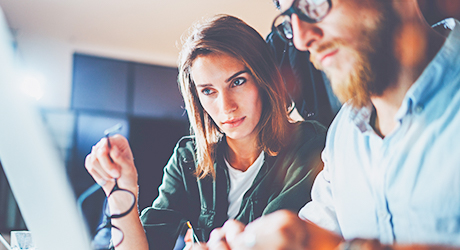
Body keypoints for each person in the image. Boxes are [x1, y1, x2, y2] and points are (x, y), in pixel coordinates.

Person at [196, 0, 460, 249]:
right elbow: (315, 227)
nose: (301, 40)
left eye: (314, 4)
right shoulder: (343, 133)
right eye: (290, 19)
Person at [84, 14, 326, 250]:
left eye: (238, 82)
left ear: (264, 80)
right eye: (209, 91)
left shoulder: (307, 144)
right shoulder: (188, 158)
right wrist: (120, 192)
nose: (226, 107)